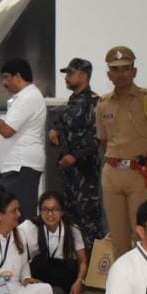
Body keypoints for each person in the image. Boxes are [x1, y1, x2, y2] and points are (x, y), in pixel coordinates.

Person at [96, 46, 147, 257]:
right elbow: (103, 141)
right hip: (112, 175)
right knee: (118, 240)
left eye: (126, 68)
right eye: (115, 69)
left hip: (138, 174)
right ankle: (122, 278)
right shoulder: (103, 104)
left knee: (143, 237)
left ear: (134, 71)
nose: (121, 74)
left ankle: (146, 278)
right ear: (109, 74)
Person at [0, 58, 47, 220]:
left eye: (6, 77)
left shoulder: (28, 98)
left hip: (22, 165)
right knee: (15, 214)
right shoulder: (22, 98)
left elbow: (7, 131)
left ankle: (25, 238)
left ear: (18, 76)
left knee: (21, 215)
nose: (4, 83)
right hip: (17, 164)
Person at [51, 57, 103, 248]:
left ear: (83, 75)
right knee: (71, 219)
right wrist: (53, 130)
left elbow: (97, 136)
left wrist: (74, 157)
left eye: (70, 73)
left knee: (88, 220)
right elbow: (63, 124)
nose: (66, 78)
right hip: (69, 174)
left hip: (85, 173)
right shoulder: (73, 101)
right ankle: (76, 259)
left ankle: (94, 262)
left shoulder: (94, 102)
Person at [19, 191, 88, 294]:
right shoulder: (29, 227)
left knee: (72, 266)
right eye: (45, 209)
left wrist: (79, 280)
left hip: (64, 271)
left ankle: (70, 293)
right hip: (39, 271)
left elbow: (83, 261)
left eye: (55, 209)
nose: (50, 214)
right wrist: (25, 278)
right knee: (37, 261)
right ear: (40, 211)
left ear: (62, 212)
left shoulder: (72, 229)